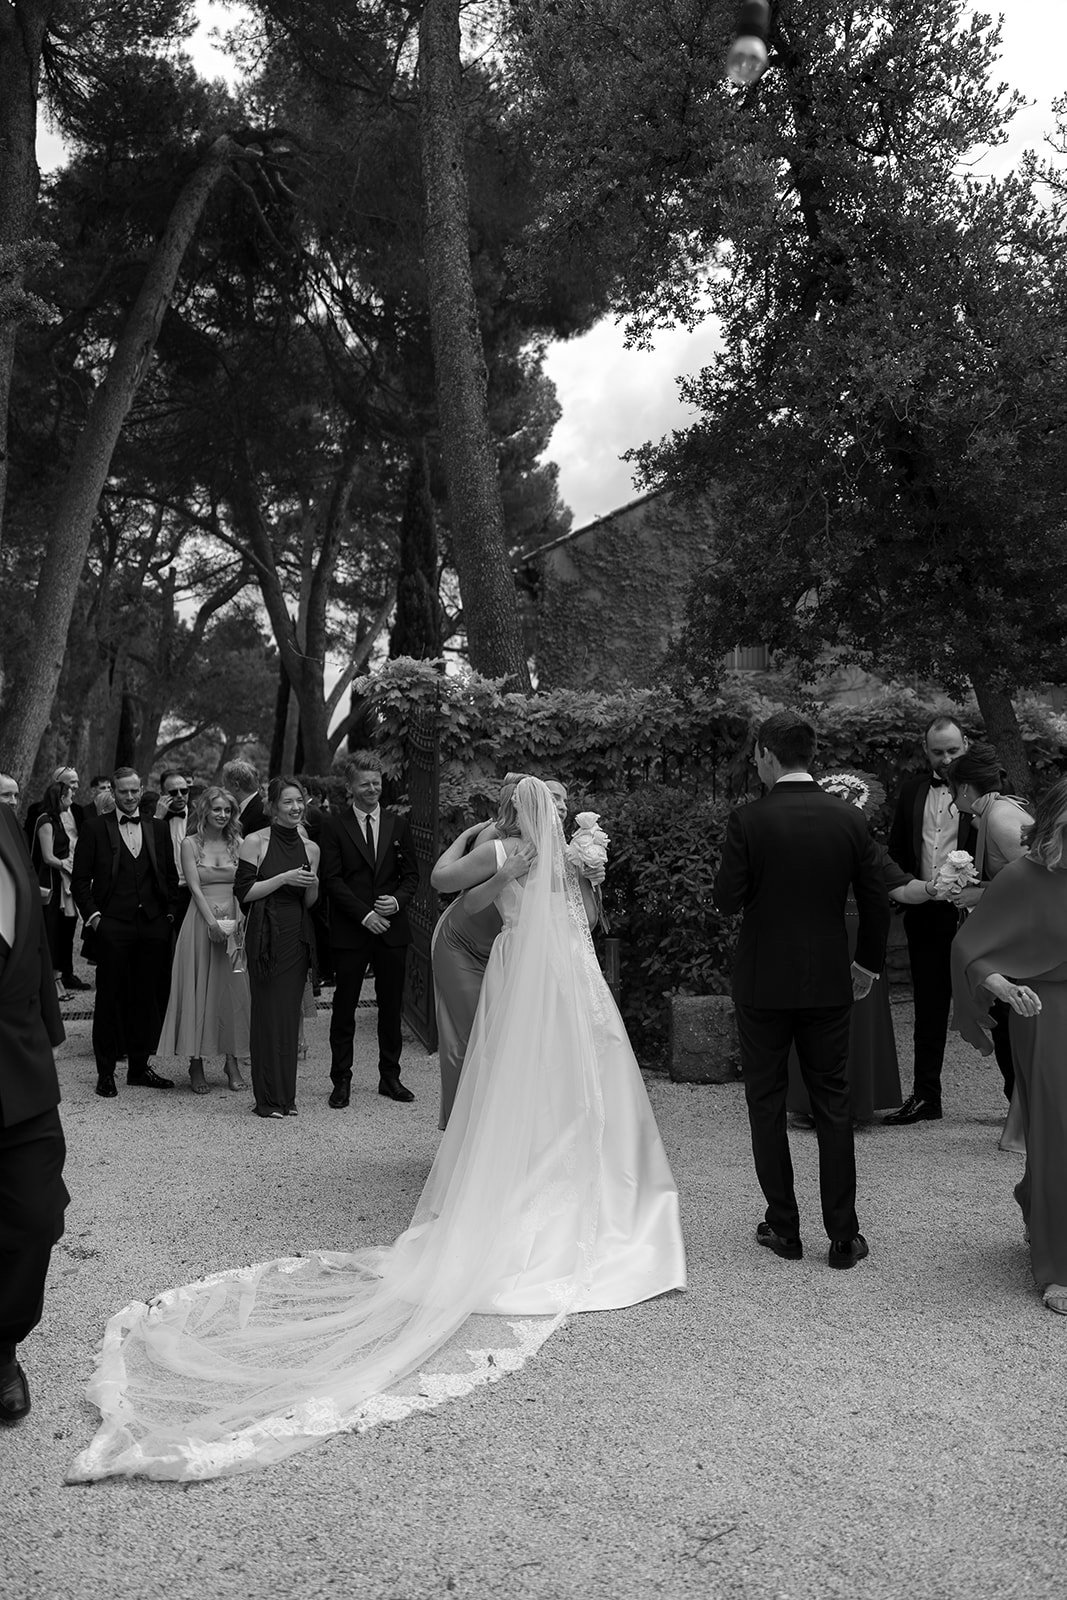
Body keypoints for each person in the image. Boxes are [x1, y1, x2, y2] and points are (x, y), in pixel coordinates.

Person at [68, 776, 686, 1482]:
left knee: (527, 1083)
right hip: (571, 987)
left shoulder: (512, 850)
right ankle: (583, 1192)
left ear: (512, 813)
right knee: (570, 1086)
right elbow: (573, 916)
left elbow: (449, 883)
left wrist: (493, 848)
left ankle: (528, 1188)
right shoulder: (566, 861)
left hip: (531, 977)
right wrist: (575, 866)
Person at [713, 712, 890, 1269]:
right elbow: (878, 896)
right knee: (833, 1101)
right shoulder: (849, 819)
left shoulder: (748, 821)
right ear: (809, 755)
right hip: (828, 978)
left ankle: (784, 1228)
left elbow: (726, 899)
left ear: (766, 753)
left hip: (764, 979)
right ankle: (843, 1237)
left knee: (765, 1102)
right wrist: (866, 964)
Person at [951, 776, 1067, 1317]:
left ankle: (1036, 1201)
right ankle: (1057, 1264)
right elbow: (971, 950)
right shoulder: (1023, 877)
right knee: (1056, 1130)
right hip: (1041, 1011)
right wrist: (1000, 985)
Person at [786, 772, 960, 1128]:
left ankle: (849, 1105)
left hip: (859, 944)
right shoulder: (802, 846)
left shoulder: (871, 851)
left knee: (855, 1024)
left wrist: (932, 888)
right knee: (811, 1020)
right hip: (819, 939)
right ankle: (812, 1103)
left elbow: (903, 889)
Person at [0, 804, 68, 1426]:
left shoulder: (4, 820)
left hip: (20, 1068)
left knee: (38, 1213)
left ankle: (4, 1348)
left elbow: (33, 934)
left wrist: (48, 1027)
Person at [884, 714, 975, 1125]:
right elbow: (898, 849)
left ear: (966, 745)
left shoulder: (991, 793)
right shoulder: (911, 791)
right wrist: (906, 897)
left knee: (1002, 1007)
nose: (945, 759)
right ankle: (926, 1097)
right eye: (937, 752)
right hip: (925, 914)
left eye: (952, 750)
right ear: (926, 751)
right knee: (929, 1008)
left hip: (976, 914)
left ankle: (1020, 1099)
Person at [430, 773, 533, 1129]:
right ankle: (460, 1132)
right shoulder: (493, 840)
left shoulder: (555, 852)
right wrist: (467, 835)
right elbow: (442, 880)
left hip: (500, 948)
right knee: (471, 1036)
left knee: (502, 1038)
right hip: (459, 944)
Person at [70, 768, 180, 1098]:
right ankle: (106, 1073)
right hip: (112, 925)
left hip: (152, 926)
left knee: (145, 999)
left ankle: (138, 1068)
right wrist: (95, 919)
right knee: (108, 999)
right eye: (123, 792)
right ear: (113, 793)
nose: (130, 797)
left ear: (141, 789)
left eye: (134, 791)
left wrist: (168, 916)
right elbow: (79, 882)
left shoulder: (157, 828)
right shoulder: (94, 828)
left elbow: (169, 877)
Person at [320, 754, 420, 1108]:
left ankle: (390, 1077)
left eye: (377, 782)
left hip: (392, 929)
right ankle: (341, 1080)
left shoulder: (397, 824)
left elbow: (412, 876)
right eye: (365, 783)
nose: (373, 789)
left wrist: (396, 901)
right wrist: (365, 915)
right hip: (352, 930)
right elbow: (331, 879)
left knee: (391, 1007)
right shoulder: (334, 826)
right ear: (350, 788)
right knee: (344, 1007)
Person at [945, 742, 1033, 1111]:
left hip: (1025, 937)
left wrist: (979, 896)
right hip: (1013, 930)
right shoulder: (995, 811)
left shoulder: (998, 817)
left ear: (964, 789)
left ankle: (1023, 1107)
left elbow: (1038, 880)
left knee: (1010, 1018)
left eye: (953, 790)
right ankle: (1021, 1105)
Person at [234, 777, 319, 1119]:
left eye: (300, 801)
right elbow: (245, 893)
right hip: (265, 934)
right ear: (272, 806)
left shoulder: (311, 847)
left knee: (288, 1015)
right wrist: (283, 878)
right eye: (288, 802)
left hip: (296, 934)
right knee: (267, 1014)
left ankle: (288, 1097)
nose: (296, 807)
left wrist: (311, 885)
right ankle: (267, 1098)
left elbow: (310, 900)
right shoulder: (254, 842)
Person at [157, 787, 250, 1095]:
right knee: (198, 992)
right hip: (200, 923)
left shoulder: (238, 843)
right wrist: (212, 923)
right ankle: (195, 1062)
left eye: (227, 810)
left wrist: (238, 922)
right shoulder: (190, 843)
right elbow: (194, 889)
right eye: (217, 810)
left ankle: (231, 1061)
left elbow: (245, 886)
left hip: (234, 921)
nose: (222, 815)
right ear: (204, 812)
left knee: (231, 992)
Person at [30, 773, 90, 998]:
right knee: (51, 932)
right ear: (59, 797)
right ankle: (51, 983)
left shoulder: (58, 820)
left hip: (64, 885)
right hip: (51, 886)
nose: (72, 800)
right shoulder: (45, 820)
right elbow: (47, 857)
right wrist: (68, 865)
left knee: (61, 933)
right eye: (69, 796)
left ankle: (57, 980)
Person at [153, 771, 193, 929]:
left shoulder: (199, 818)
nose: (179, 796)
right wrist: (157, 818)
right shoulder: (152, 818)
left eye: (184, 791)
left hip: (191, 892)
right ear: (162, 794)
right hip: (163, 893)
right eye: (173, 792)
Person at [223, 759, 268, 837]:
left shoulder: (262, 812)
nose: (224, 789)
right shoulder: (238, 809)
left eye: (225, 785)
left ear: (236, 786)